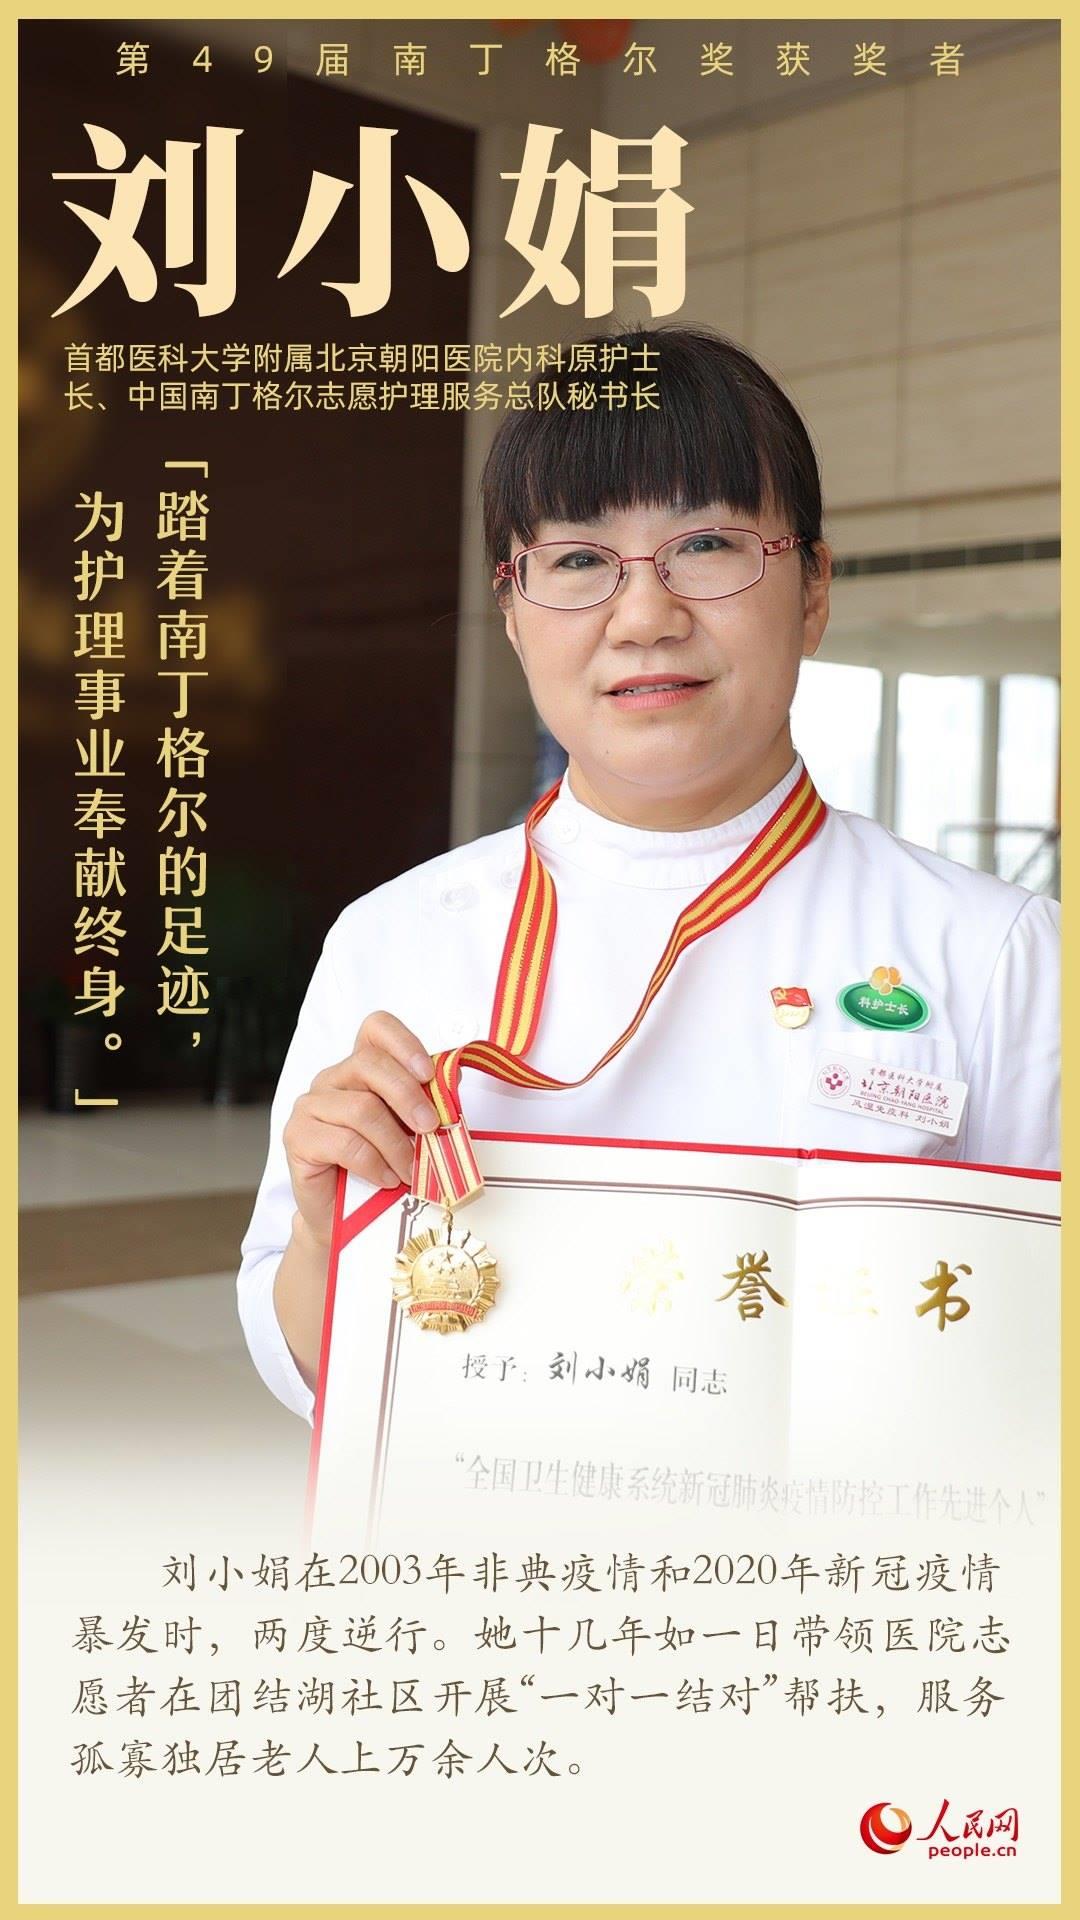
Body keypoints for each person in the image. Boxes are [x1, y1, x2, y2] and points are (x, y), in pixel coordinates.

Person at [237, 324, 1060, 1427]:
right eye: (578, 561)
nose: (643, 617)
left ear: (813, 589)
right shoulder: (395, 937)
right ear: (513, 613)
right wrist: (325, 1226)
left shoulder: (997, 952)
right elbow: (306, 1361)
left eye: (707, 544)